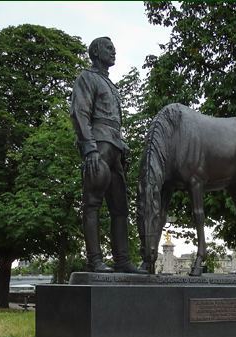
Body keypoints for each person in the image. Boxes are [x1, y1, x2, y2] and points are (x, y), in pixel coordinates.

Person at [70, 36, 143, 273]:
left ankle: (122, 259)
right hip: (98, 147)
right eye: (109, 48)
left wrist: (123, 147)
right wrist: (88, 147)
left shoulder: (111, 85)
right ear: (96, 51)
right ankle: (95, 260)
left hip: (116, 150)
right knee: (92, 205)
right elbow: (79, 113)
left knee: (120, 208)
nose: (114, 51)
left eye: (114, 48)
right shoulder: (86, 78)